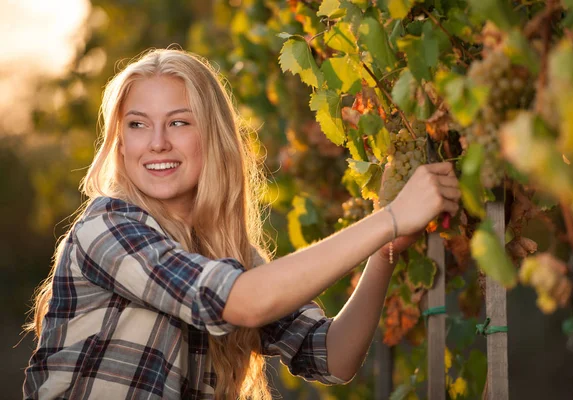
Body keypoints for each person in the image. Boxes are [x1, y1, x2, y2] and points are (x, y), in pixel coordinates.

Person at [22, 48, 460, 400]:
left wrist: (387, 245)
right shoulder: (108, 228)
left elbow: (334, 357)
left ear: (212, 136)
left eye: (178, 122)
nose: (157, 143)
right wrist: (389, 217)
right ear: (120, 143)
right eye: (138, 125)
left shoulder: (232, 256)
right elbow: (244, 301)